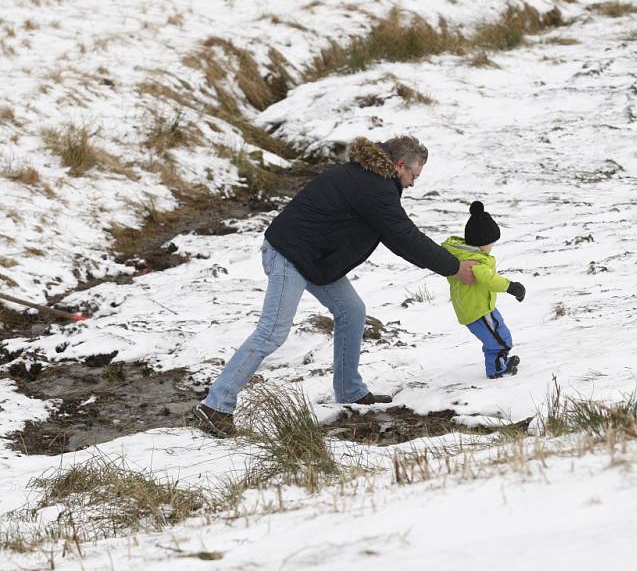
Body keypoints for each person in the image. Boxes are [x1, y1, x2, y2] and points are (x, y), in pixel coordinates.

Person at [194, 135, 477, 436]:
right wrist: (454, 268)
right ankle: (215, 406)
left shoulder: (371, 178)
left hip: (313, 260)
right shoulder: (375, 187)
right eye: (413, 175)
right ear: (399, 165)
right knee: (273, 331)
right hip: (288, 255)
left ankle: (350, 391)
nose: (412, 183)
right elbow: (405, 238)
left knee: (352, 311)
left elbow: (397, 234)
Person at [441, 201, 526, 379]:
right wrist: (512, 287)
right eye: (491, 242)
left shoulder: (461, 255)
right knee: (499, 340)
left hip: (478, 306)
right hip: (478, 310)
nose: (492, 246)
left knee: (498, 335)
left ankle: (499, 362)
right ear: (482, 242)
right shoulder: (476, 262)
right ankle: (496, 369)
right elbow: (490, 280)